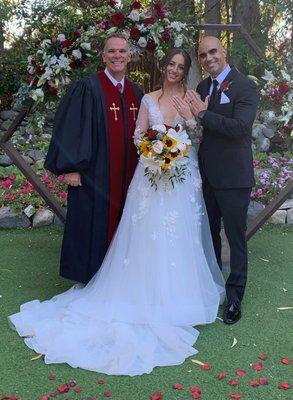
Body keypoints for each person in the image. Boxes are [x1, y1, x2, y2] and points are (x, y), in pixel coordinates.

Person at [9, 49, 225, 376]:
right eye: (171, 64)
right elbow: (138, 134)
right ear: (163, 66)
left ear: (185, 72)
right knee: (146, 234)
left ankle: (179, 297)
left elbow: (197, 135)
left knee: (179, 234)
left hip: (181, 176)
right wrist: (154, 152)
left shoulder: (192, 97)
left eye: (181, 67)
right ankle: (141, 293)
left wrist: (190, 125)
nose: (174, 70)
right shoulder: (148, 97)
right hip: (152, 174)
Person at [44, 34, 144, 284]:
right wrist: (72, 168)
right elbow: (72, 129)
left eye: (122, 51)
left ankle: (120, 276)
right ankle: (90, 277)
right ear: (103, 56)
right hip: (94, 174)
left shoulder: (136, 92)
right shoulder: (88, 88)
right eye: (112, 51)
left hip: (129, 176)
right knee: (91, 224)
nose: (117, 56)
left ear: (129, 56)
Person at [183, 36, 258, 324]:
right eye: (203, 55)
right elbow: (203, 131)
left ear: (223, 51)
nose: (208, 58)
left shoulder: (244, 86)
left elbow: (240, 128)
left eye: (213, 52)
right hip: (207, 175)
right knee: (209, 235)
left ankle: (235, 297)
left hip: (234, 177)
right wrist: (192, 120)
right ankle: (211, 287)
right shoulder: (203, 87)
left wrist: (202, 113)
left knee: (235, 238)